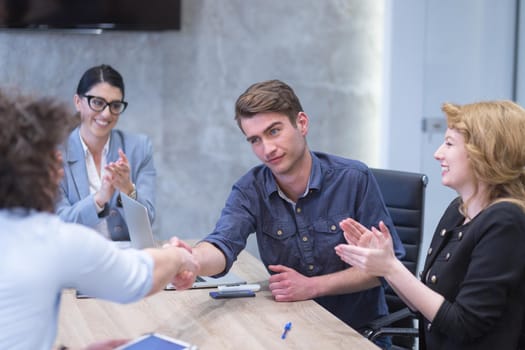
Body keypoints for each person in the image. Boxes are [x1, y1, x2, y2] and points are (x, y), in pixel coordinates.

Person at [174, 79, 405, 342]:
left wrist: (312, 287)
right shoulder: (250, 189)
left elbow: (387, 267)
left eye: (274, 131)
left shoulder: (353, 179)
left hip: (357, 333)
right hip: (291, 329)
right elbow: (223, 243)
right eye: (255, 140)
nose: (266, 149)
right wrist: (191, 261)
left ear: (302, 123)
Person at [0, 90, 198, 350]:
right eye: (50, 152)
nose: (60, 159)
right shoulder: (50, 239)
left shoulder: (138, 148)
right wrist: (180, 256)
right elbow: (138, 277)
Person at [335, 101, 525, 349]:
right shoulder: (458, 210)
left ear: (485, 151)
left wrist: (391, 267)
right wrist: (383, 263)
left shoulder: (506, 221)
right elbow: (423, 305)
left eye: (449, 143)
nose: (438, 154)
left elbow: (464, 325)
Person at [56, 64, 156, 242]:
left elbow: (147, 223)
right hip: (73, 257)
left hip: (123, 258)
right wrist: (99, 199)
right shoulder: (55, 153)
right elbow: (57, 224)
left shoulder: (139, 148)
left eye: (115, 105)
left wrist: (128, 190)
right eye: (97, 103)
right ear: (78, 102)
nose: (106, 114)